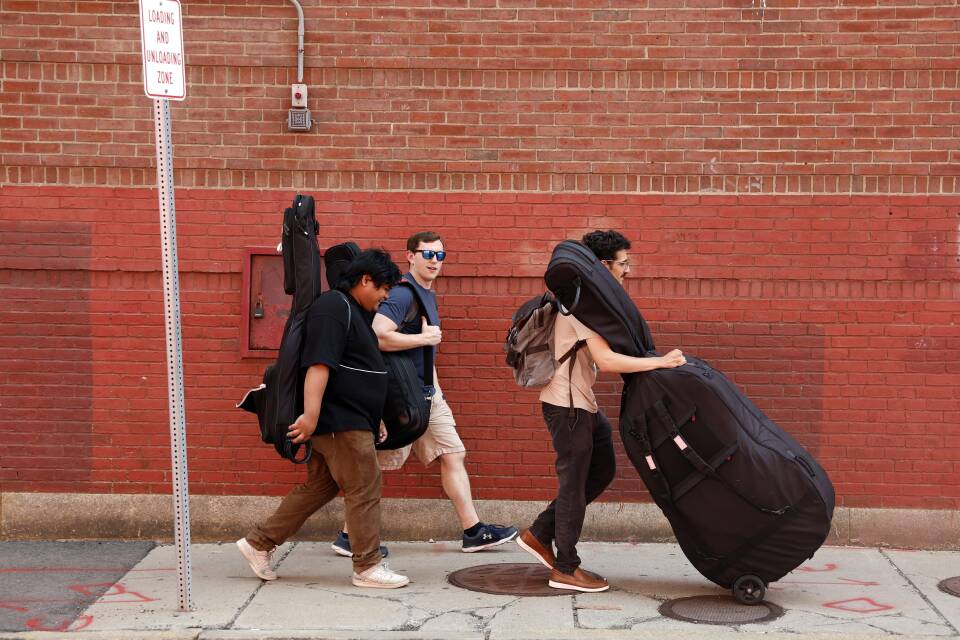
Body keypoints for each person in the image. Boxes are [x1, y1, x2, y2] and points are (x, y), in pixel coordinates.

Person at [515, 230, 687, 593]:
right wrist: (659, 363)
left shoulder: (589, 304)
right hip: (568, 407)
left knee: (602, 469)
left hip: (581, 406)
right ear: (604, 266)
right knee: (573, 485)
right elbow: (605, 360)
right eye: (623, 263)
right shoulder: (577, 309)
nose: (628, 270)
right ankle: (565, 567)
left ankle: (540, 534)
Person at [331, 231, 518, 558]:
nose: (434, 261)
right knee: (376, 465)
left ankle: (474, 532)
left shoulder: (426, 294)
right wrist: (424, 339)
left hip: (426, 395)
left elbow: (424, 351)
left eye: (440, 256)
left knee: (453, 453)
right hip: (402, 398)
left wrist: (437, 391)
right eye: (427, 254)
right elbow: (378, 337)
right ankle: (349, 536)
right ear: (411, 257)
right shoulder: (403, 294)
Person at [236, 249, 410, 589]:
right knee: (365, 485)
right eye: (384, 288)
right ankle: (368, 566)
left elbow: (359, 371)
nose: (386, 296)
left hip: (348, 418)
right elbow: (319, 364)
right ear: (365, 280)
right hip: (340, 421)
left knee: (320, 486)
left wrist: (375, 417)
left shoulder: (352, 310)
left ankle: (259, 543)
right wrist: (312, 416)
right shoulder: (334, 308)